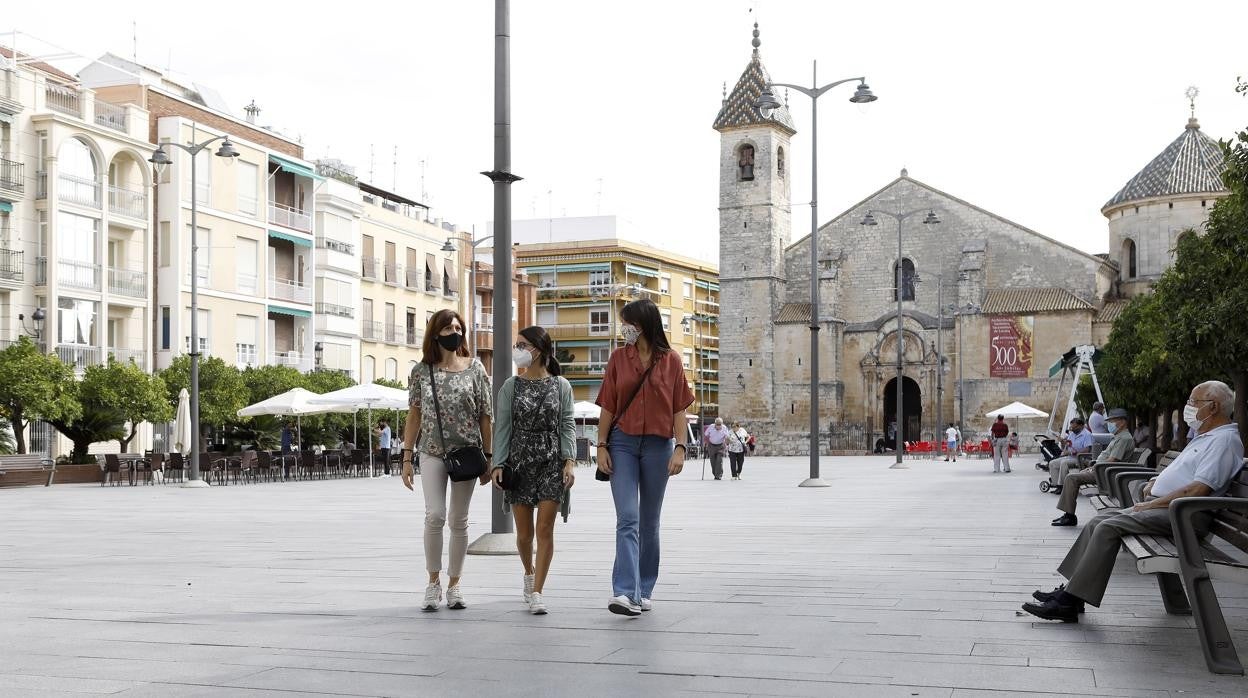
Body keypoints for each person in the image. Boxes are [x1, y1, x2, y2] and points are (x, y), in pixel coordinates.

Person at [1022, 381, 1242, 622]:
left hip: (1184, 515)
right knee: (1098, 521)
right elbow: (1186, 474)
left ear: (1213, 407)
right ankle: (1071, 590)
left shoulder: (1224, 441)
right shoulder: (1206, 437)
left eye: (1193, 402)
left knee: (1108, 527)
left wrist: (1151, 504)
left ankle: (1069, 603)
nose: (1188, 407)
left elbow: (1198, 488)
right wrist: (1156, 481)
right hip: (1170, 509)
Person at [596, 299, 694, 617]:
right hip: (622, 443)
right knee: (628, 517)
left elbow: (679, 408)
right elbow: (609, 404)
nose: (623, 328)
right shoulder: (618, 359)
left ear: (643, 324)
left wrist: (681, 447)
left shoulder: (672, 361)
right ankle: (625, 592)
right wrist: (600, 445)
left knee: (649, 522)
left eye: (627, 322)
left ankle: (645, 587)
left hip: (658, 446)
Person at [401, 309, 492, 612]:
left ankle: (454, 585)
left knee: (459, 520)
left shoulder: (476, 368)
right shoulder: (421, 371)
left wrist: (489, 457)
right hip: (431, 451)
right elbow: (414, 415)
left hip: (466, 452)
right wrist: (406, 456)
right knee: (435, 515)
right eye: (448, 328)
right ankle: (432, 582)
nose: (455, 332)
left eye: (458, 327)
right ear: (435, 334)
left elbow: (485, 417)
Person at [491, 326, 576, 615]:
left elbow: (566, 424)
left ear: (539, 349)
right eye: (517, 344)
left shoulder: (561, 385)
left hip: (551, 462)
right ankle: (528, 573)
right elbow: (502, 428)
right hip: (520, 463)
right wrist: (498, 464)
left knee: (545, 529)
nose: (518, 349)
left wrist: (569, 460)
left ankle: (538, 591)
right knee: (525, 534)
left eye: (523, 345)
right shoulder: (510, 386)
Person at [1051, 408, 1136, 526]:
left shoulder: (1124, 438)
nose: (1109, 424)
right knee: (1072, 476)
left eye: (1112, 421)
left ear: (1122, 422)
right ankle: (1068, 515)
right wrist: (1093, 467)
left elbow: (1112, 460)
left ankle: (1069, 516)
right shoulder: (1119, 437)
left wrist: (1094, 468)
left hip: (1105, 474)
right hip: (1102, 470)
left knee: (1071, 478)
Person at [1046, 418, 1093, 491]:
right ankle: (1056, 485)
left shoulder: (1087, 434)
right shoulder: (1072, 434)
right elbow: (1066, 447)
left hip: (1081, 458)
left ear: (1081, 426)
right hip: (1070, 457)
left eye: (1074, 427)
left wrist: (1071, 452)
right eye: (1071, 427)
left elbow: (1087, 450)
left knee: (1064, 463)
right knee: (1052, 463)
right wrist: (1062, 442)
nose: (1072, 429)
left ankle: (1062, 486)